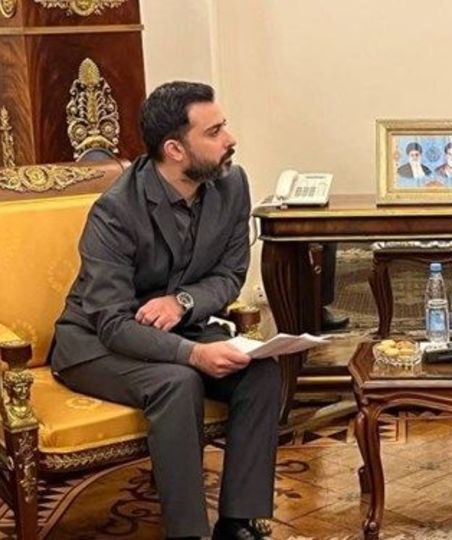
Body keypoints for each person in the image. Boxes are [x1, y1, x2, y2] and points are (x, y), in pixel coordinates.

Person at [50, 81, 281, 540]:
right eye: (214, 132)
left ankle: (238, 523)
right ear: (175, 149)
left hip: (180, 327)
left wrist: (183, 302)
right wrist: (192, 354)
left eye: (224, 126)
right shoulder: (114, 213)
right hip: (95, 343)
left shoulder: (231, 184)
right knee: (177, 382)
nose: (230, 139)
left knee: (261, 371)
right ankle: (187, 533)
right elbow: (112, 322)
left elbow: (230, 274)